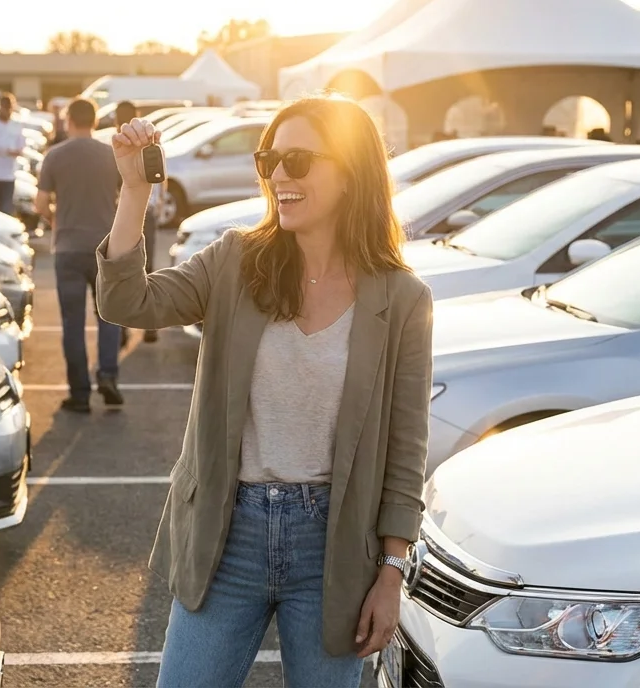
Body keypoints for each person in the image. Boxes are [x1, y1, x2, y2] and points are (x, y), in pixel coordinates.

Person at [96, 95, 433, 687]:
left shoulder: (402, 299)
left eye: (299, 160)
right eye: (270, 159)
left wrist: (391, 573)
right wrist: (133, 191)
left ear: (352, 172)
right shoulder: (235, 261)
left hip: (334, 545)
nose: (279, 174)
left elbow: (405, 450)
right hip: (229, 534)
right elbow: (127, 301)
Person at [37, 98, 124, 412]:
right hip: (105, 247)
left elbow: (40, 203)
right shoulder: (110, 155)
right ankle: (109, 375)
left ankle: (79, 393)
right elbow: (125, 196)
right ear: (96, 120)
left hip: (68, 248)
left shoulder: (55, 156)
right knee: (109, 317)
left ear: (68, 119)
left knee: (72, 323)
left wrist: (55, 220)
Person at [114, 101, 160, 345]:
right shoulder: (149, 143)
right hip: (148, 212)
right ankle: (150, 327)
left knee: (120, 269)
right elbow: (163, 178)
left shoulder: (112, 145)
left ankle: (121, 329)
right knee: (148, 268)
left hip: (121, 215)